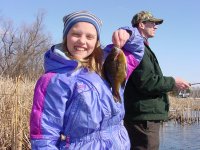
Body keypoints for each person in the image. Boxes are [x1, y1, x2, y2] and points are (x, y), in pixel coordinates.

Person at [30, 10, 144, 150]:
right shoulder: (54, 80)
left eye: (90, 37)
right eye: (76, 34)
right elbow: (44, 137)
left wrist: (129, 34)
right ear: (66, 36)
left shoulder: (108, 63)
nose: (82, 41)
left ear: (97, 41)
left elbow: (137, 51)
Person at [115, 11, 191, 150]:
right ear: (142, 24)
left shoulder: (140, 47)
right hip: (143, 119)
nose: (156, 26)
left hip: (142, 117)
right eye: (153, 23)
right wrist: (173, 82)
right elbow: (147, 83)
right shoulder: (139, 49)